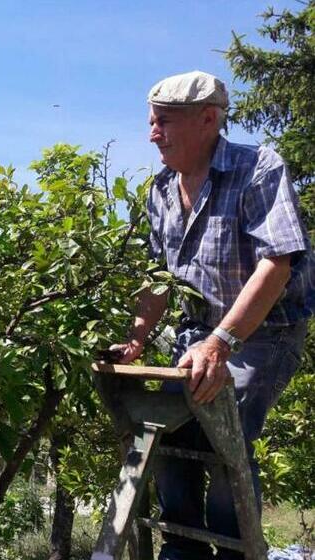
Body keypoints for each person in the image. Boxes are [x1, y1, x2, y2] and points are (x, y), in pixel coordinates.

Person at [111, 70, 314, 559]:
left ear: (207, 119)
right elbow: (158, 280)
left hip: (266, 332)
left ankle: (234, 550)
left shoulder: (257, 168)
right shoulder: (160, 191)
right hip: (196, 333)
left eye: (163, 122)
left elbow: (277, 263)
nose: (152, 134)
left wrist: (222, 342)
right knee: (166, 430)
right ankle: (182, 549)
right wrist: (136, 340)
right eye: (151, 121)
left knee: (226, 433)